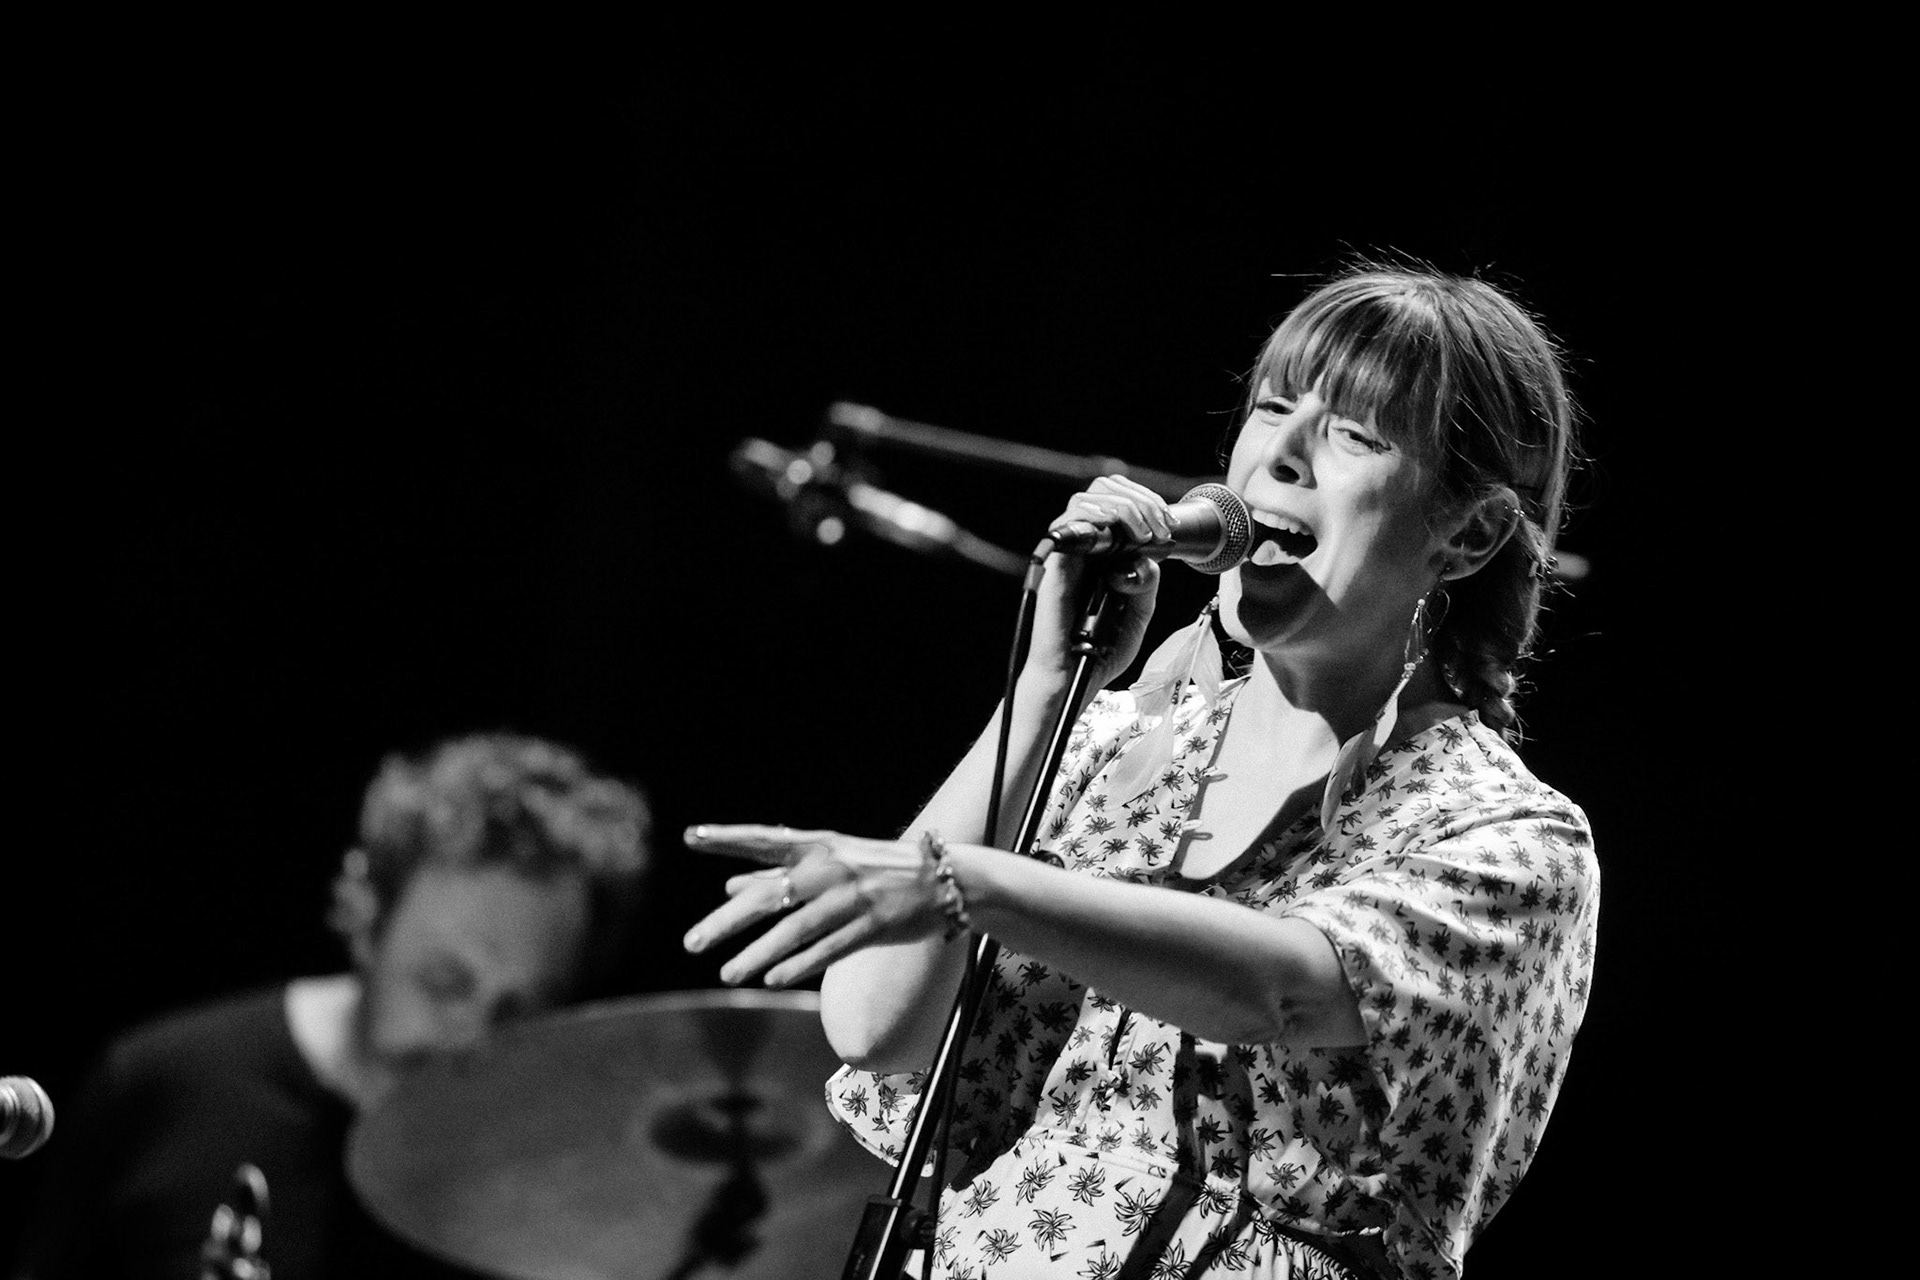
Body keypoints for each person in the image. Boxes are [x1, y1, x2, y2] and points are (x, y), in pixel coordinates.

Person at [683, 265, 1598, 1279]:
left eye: (1352, 434)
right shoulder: (1108, 740)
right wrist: (1041, 694)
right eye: (1271, 408)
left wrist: (962, 882)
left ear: (1466, 533)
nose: (1280, 455)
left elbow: (1278, 991)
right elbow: (875, 1025)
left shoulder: (1502, 833)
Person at [11, 732, 652, 1280]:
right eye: (444, 982)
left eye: (520, 1009)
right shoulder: (165, 1084)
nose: (472, 1038)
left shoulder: (546, 1190)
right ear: (364, 916)